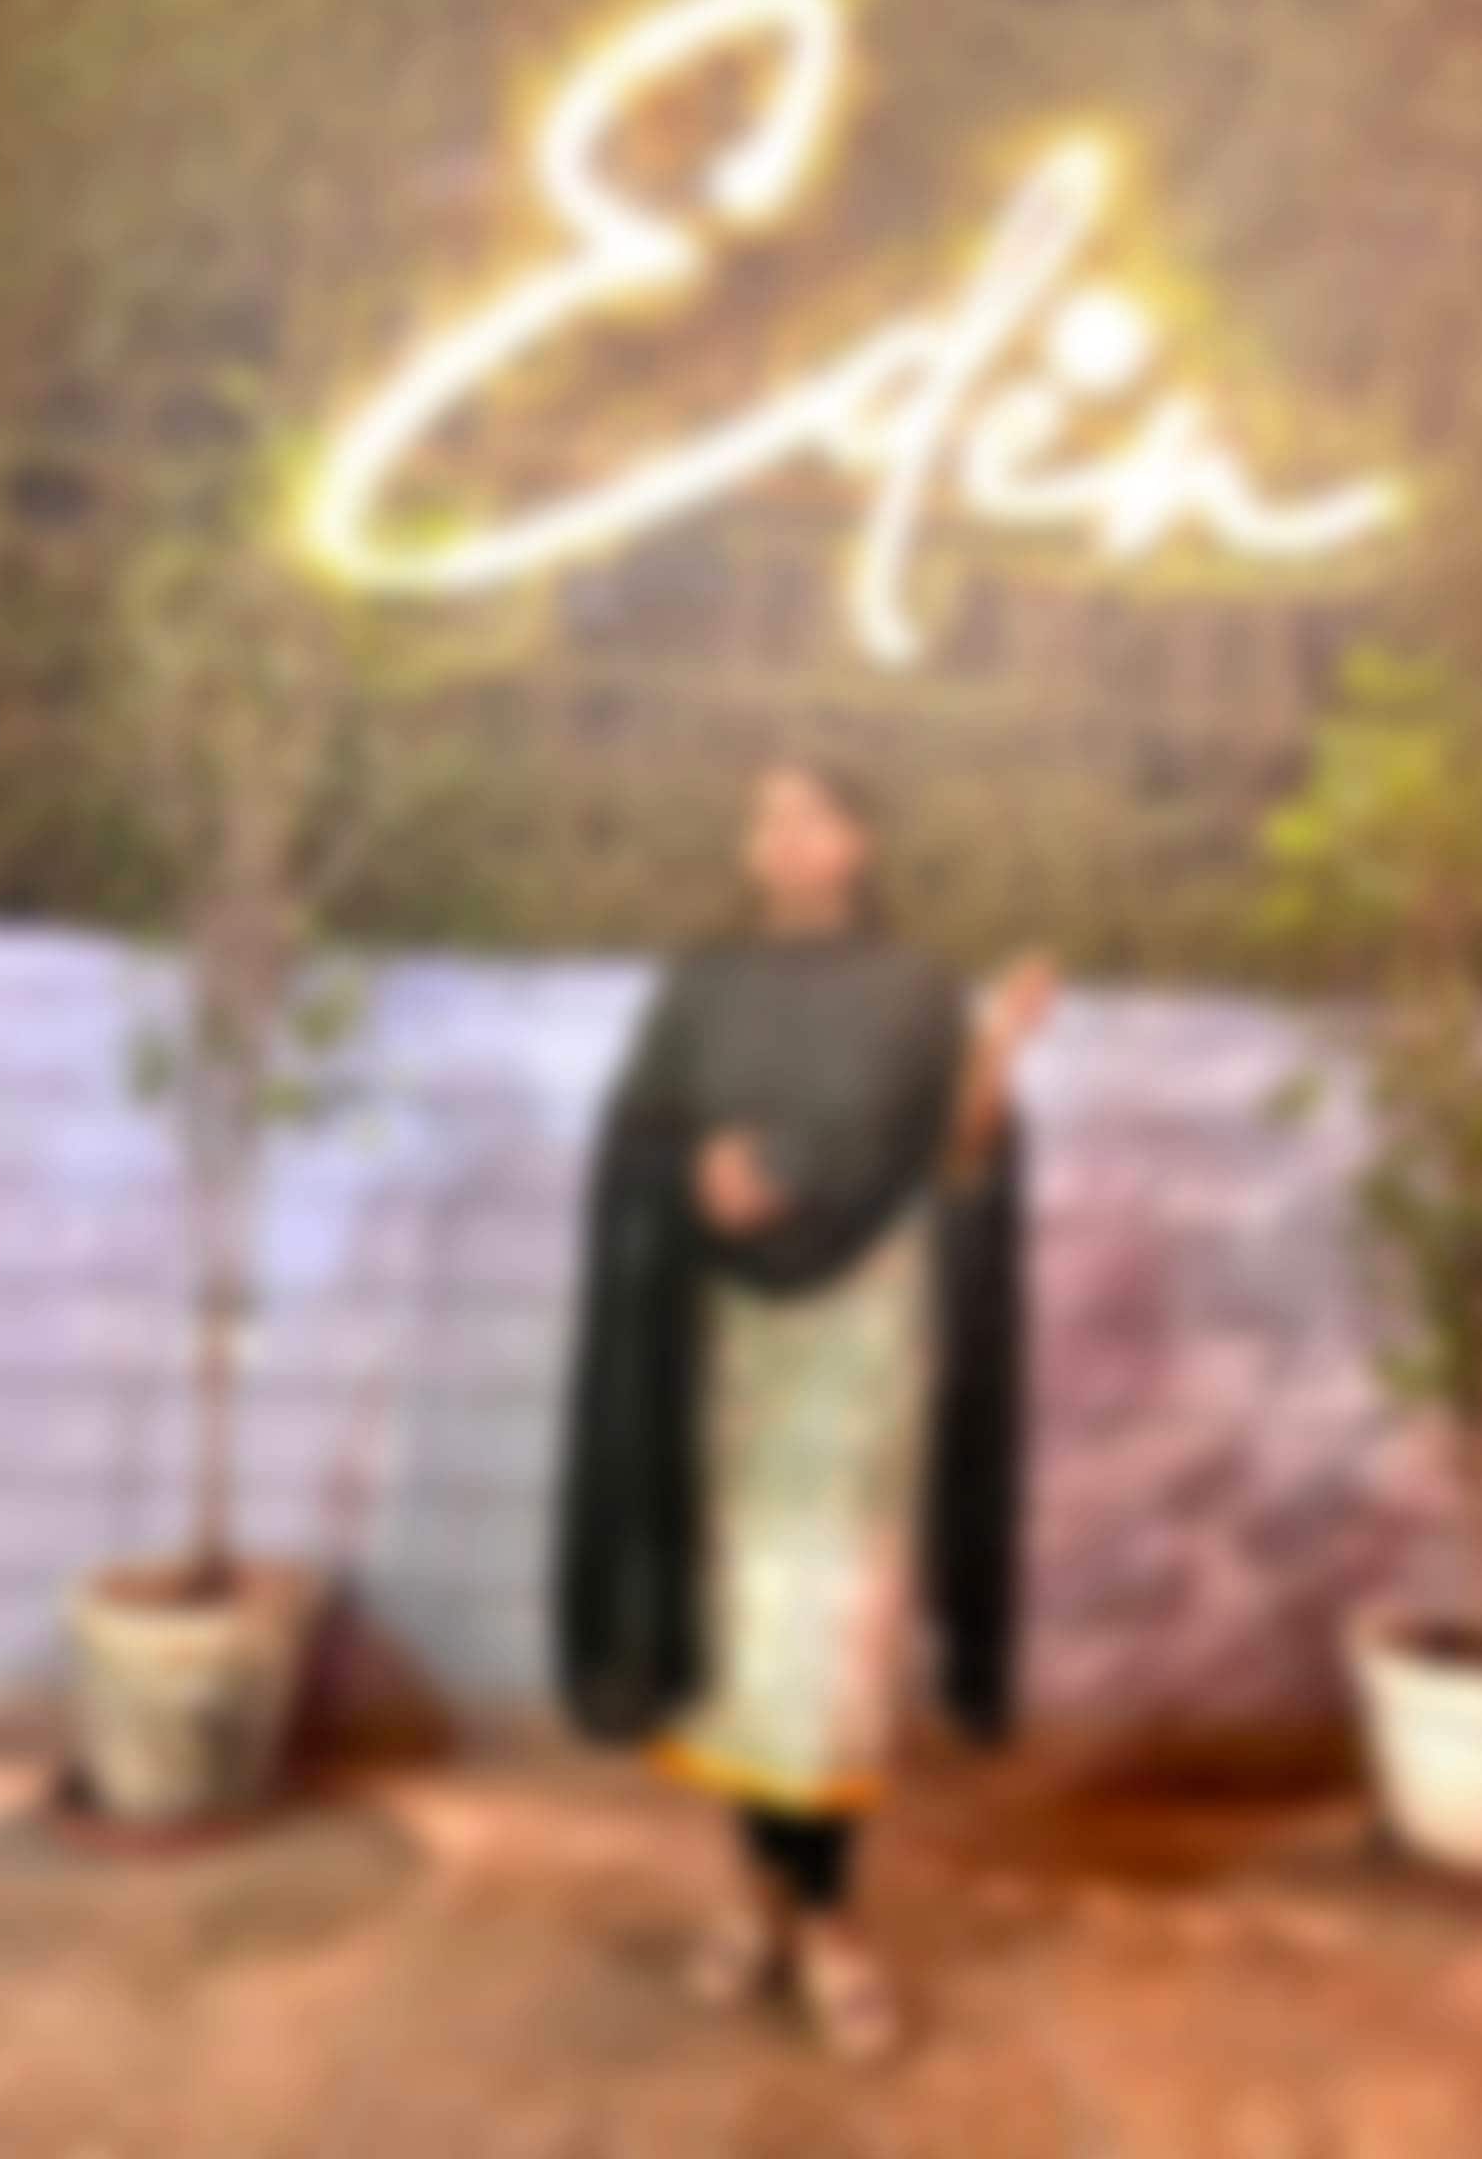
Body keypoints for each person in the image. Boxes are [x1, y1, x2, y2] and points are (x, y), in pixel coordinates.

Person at [552, 757, 1055, 2061]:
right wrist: (692, 1171)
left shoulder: (914, 991)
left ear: (860, 840)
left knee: (836, 1634)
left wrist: (996, 1055)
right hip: (726, 1343)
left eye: (812, 813)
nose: (781, 834)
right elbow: (637, 1135)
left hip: (861, 1349)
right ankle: (755, 1892)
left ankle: (829, 1915)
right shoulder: (701, 984)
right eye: (765, 813)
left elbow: (958, 1159)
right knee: (739, 1624)